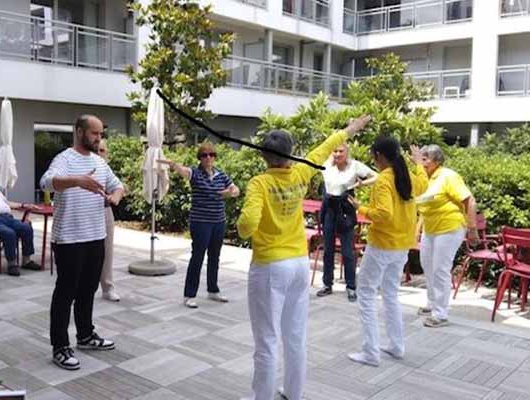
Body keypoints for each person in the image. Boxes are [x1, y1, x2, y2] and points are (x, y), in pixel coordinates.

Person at [237, 116, 371, 400]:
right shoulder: (299, 174)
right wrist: (351, 129)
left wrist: (243, 225)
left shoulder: (259, 183)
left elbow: (247, 225)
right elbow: (324, 148)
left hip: (270, 267)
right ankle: (294, 393)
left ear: (263, 155)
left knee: (267, 340)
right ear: (290, 153)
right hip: (299, 264)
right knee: (294, 335)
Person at [40, 115, 124, 370]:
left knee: (88, 290)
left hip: (96, 236)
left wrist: (116, 196)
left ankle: (85, 336)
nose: (99, 138)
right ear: (79, 132)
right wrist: (78, 181)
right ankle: (60, 347)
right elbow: (46, 182)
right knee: (65, 293)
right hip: (69, 238)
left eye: (100, 134)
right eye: (94, 133)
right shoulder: (64, 159)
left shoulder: (99, 162)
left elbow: (118, 185)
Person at [346, 137, 428, 367]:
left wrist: (360, 208)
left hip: (382, 245)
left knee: (367, 294)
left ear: (379, 156)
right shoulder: (408, 177)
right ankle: (396, 345)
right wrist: (418, 163)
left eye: (374, 156)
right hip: (402, 246)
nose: (374, 160)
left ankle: (371, 352)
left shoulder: (383, 181)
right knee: (391, 294)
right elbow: (423, 183)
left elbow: (384, 214)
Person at [157, 142, 239, 309]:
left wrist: (230, 192)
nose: (208, 158)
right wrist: (174, 166)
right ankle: (189, 294)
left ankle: (213, 290)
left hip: (218, 222)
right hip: (201, 222)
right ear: (200, 158)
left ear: (215, 157)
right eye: (204, 155)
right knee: (198, 257)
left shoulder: (221, 175)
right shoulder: (195, 173)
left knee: (215, 256)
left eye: (211, 155)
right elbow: (184, 171)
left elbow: (235, 189)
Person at [416, 144, 478, 328]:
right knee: (427, 265)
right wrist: (418, 229)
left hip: (449, 227)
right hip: (430, 228)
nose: (422, 162)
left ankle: (440, 314)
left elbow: (470, 200)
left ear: (437, 161)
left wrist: (472, 227)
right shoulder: (423, 178)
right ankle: (432, 302)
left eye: (425, 158)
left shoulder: (448, 176)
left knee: (440, 269)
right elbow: (422, 206)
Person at [317, 144, 377, 301]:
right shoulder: (326, 166)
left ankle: (351, 286)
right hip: (329, 207)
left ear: (347, 152)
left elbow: (377, 176)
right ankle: (327, 284)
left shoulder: (355, 166)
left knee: (347, 251)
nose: (337, 154)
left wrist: (362, 184)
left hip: (345, 208)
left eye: (341, 151)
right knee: (328, 250)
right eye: (335, 151)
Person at [97, 139, 120, 302]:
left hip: (105, 210)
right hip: (85, 212)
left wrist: (115, 195)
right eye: (97, 150)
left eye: (102, 150)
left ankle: (107, 287)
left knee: (107, 250)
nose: (99, 153)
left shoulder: (106, 169)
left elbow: (119, 188)